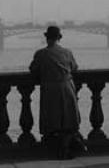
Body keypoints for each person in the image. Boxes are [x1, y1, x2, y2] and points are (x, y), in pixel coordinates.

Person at [29, 26, 86, 159]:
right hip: (67, 88)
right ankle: (66, 149)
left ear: (46, 38)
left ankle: (54, 149)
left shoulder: (40, 54)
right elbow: (74, 68)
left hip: (49, 90)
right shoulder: (67, 52)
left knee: (52, 120)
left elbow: (33, 69)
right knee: (68, 120)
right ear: (59, 38)